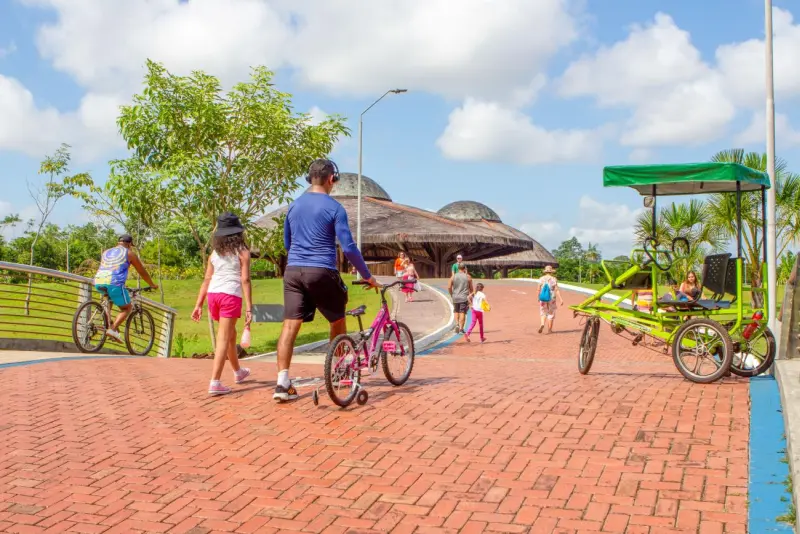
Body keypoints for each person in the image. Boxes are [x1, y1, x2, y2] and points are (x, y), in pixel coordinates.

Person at [277, 158, 379, 402]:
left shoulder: (293, 206)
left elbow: (287, 243)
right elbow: (349, 247)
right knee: (338, 320)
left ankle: (282, 384)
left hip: (292, 271)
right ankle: (338, 372)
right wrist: (368, 276)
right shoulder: (335, 208)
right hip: (321, 270)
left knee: (290, 325)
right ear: (332, 179)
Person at [191, 212, 253, 396]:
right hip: (229, 296)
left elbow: (207, 279)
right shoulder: (242, 252)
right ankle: (215, 382)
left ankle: (238, 372)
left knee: (231, 335)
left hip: (213, 296)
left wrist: (198, 304)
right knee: (224, 338)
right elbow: (246, 280)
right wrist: (250, 307)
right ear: (238, 232)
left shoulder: (214, 254)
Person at [93, 234, 158, 343]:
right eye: (131, 245)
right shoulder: (129, 253)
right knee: (127, 308)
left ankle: (108, 324)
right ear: (129, 244)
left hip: (98, 281)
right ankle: (112, 329)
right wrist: (152, 284)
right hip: (114, 283)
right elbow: (142, 271)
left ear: (118, 243)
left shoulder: (106, 251)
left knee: (109, 299)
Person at [537, 265, 564, 334]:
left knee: (543, 311)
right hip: (551, 297)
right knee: (551, 313)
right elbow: (557, 290)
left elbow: (538, 289)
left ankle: (542, 324)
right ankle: (549, 330)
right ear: (551, 272)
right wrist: (561, 299)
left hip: (543, 297)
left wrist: (538, 297)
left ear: (545, 272)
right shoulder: (554, 279)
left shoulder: (541, 278)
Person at [448, 263, 473, 333]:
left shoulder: (453, 277)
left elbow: (449, 287)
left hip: (455, 297)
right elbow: (471, 289)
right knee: (462, 312)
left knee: (456, 311)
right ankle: (461, 328)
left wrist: (451, 294)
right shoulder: (468, 277)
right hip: (464, 297)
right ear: (465, 268)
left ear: (458, 268)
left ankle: (457, 324)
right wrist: (471, 297)